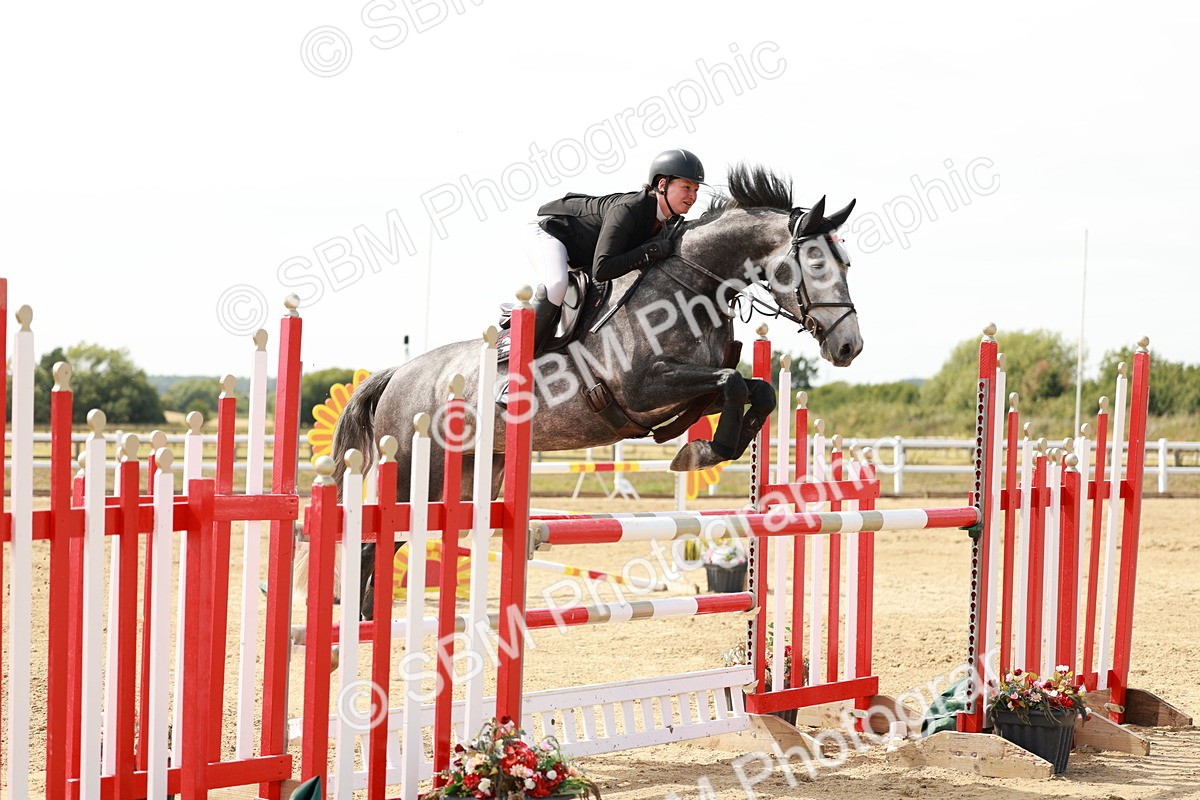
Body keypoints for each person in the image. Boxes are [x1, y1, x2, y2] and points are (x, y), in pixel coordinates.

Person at [524, 148, 705, 354]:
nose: (693, 196)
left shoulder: (667, 221)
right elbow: (602, 269)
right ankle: (523, 357)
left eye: (696, 190)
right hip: (551, 232)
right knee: (556, 284)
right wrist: (650, 250)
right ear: (662, 185)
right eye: (687, 187)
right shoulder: (629, 209)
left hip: (583, 252)